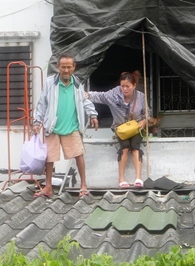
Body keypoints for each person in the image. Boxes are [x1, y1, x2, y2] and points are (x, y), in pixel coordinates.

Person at [32, 53, 99, 198]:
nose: (66, 70)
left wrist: (93, 115)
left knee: (79, 155)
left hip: (72, 126)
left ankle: (83, 186)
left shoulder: (77, 83)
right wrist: (37, 121)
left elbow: (84, 100)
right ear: (58, 67)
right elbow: (42, 103)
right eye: (63, 67)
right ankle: (48, 186)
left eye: (69, 67)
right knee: (49, 158)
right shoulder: (50, 83)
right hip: (53, 126)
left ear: (74, 67)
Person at [86, 71, 149, 188]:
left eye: (127, 86)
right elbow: (100, 96)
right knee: (124, 148)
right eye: (122, 86)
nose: (124, 89)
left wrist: (144, 121)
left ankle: (138, 178)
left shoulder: (140, 96)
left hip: (136, 127)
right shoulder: (113, 95)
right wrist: (86, 95)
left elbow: (147, 113)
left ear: (134, 85)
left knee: (135, 147)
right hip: (120, 128)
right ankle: (121, 180)